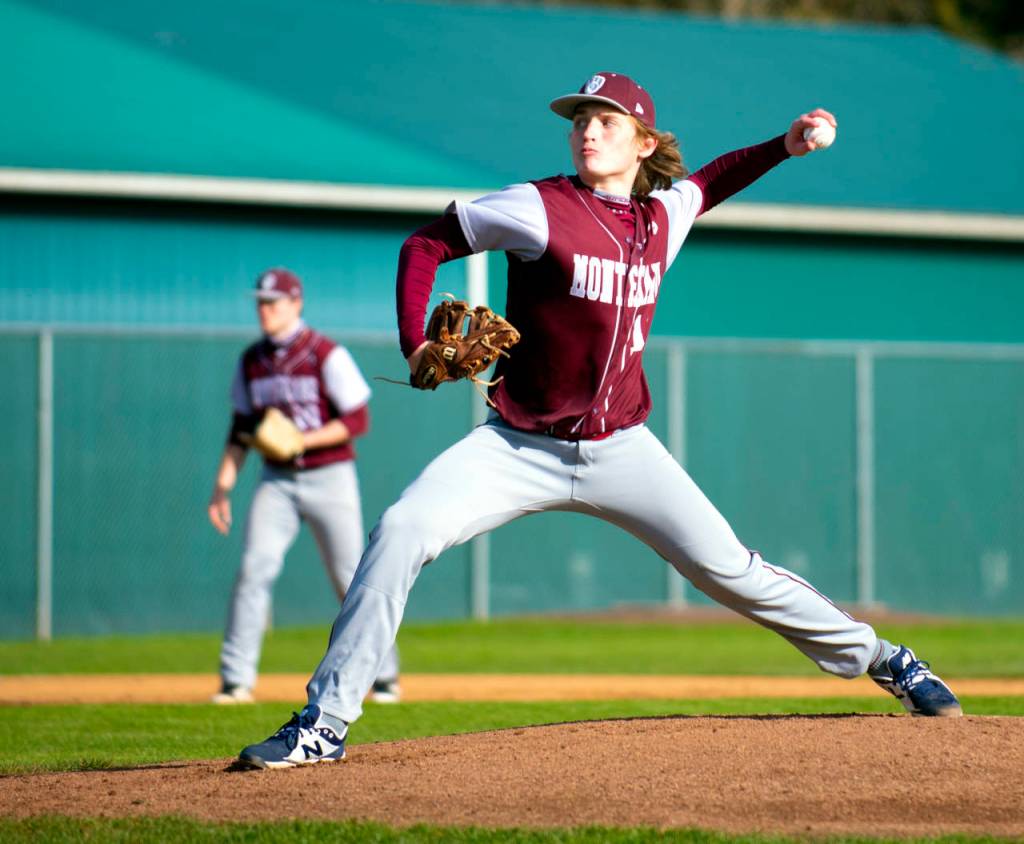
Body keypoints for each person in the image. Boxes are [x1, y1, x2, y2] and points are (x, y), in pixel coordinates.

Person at [238, 74, 960, 768]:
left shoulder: (661, 218)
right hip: (518, 445)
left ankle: (885, 659)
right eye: (581, 119)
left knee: (732, 570)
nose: (588, 131)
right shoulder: (536, 206)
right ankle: (324, 724)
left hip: (622, 448)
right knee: (400, 530)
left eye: (606, 120)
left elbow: (712, 180)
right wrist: (415, 341)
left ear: (643, 143)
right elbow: (425, 243)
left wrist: (786, 145)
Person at [207, 267, 400, 706]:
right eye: (260, 301)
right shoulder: (252, 361)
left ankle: (384, 674)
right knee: (254, 570)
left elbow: (357, 420)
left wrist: (302, 439)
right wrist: (223, 486)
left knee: (353, 577)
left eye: (272, 302)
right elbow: (241, 428)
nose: (264, 309)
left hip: (329, 475)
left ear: (296, 303)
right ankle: (235, 680)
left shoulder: (324, 353)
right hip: (276, 479)